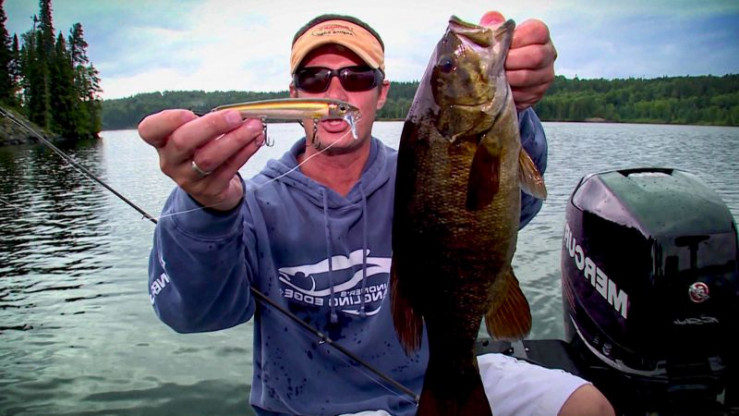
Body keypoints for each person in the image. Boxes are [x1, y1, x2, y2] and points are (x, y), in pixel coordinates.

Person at [138, 11, 615, 416]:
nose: (336, 91)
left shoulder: (417, 169)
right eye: (315, 78)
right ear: (294, 93)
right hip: (315, 406)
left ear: (382, 93)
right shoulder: (255, 202)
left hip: (433, 370)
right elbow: (193, 313)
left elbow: (515, 205)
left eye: (357, 77)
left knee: (587, 406)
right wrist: (205, 208)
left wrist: (518, 109)